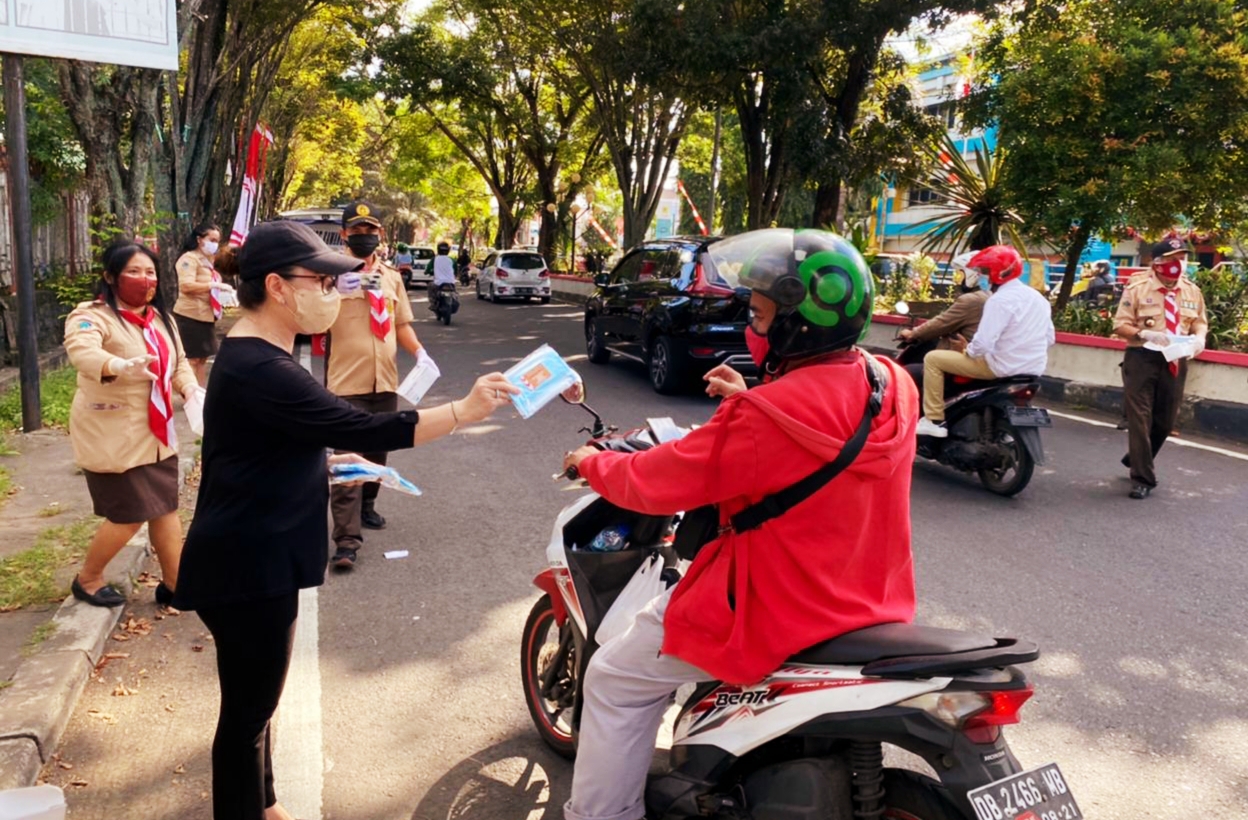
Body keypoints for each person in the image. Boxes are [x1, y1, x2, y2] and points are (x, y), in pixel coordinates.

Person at [560, 228, 918, 820]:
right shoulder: (892, 383)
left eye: (759, 315)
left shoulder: (762, 420)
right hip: (873, 599)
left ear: (795, 328)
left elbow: (654, 481)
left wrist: (592, 462)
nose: (751, 327)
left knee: (614, 679)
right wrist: (752, 394)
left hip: (773, 606)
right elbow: (823, 424)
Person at [172, 220, 517, 820]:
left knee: (256, 707)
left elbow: (264, 445)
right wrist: (463, 411)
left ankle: (265, 802)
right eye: (323, 281)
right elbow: (363, 424)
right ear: (278, 287)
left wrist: (326, 462)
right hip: (249, 569)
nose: (334, 292)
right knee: (247, 719)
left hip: (248, 555)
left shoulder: (258, 353)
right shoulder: (263, 366)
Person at [63, 241, 201, 608]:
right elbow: (83, 351)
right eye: (134, 272)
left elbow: (179, 362)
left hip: (156, 432)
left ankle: (175, 584)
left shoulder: (161, 318)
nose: (145, 279)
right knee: (128, 515)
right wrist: (118, 366)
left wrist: (189, 388)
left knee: (165, 508)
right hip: (113, 434)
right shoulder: (92, 316)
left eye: (150, 272)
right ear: (110, 277)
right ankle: (88, 579)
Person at [325, 201, 424, 568]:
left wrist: (419, 352)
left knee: (378, 452)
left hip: (385, 381)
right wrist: (332, 289)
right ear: (344, 234)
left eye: (370, 230)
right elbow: (309, 318)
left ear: (380, 234)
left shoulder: (392, 276)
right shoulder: (328, 275)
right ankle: (346, 542)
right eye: (357, 230)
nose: (364, 236)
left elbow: (401, 324)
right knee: (347, 461)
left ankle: (368, 504)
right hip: (345, 383)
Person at [915, 245, 1055, 438]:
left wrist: (966, 350)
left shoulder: (999, 300)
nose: (982, 276)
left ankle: (933, 420)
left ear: (996, 274)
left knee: (933, 359)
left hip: (999, 368)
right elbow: (1050, 338)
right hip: (1033, 369)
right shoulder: (1038, 299)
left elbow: (983, 344)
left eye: (985, 271)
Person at [1112, 237, 1208, 499]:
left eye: (1182, 258)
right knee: (1139, 419)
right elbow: (1120, 325)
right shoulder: (1138, 288)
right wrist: (1144, 334)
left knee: (1165, 422)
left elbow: (1199, 321)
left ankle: (1137, 457)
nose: (1178, 263)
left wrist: (1200, 338)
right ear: (1157, 262)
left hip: (1176, 358)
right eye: (1172, 258)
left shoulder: (1191, 290)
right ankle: (1143, 478)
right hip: (1142, 357)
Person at [897, 250, 990, 390]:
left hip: (967, 362)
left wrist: (913, 333)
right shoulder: (990, 296)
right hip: (985, 361)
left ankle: (928, 405)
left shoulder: (972, 300)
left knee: (905, 374)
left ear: (973, 274)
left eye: (960, 274)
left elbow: (941, 323)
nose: (957, 279)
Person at [173, 223, 234, 387]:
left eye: (217, 241)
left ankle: (200, 391)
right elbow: (186, 286)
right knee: (192, 359)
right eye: (211, 240)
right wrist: (212, 286)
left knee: (202, 358)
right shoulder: (189, 259)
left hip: (206, 315)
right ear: (199, 239)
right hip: (190, 315)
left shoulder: (209, 261)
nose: (215, 244)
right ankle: (190, 392)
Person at [429, 240, 457, 312]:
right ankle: (454, 299)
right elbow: (456, 270)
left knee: (430, 286)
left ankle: (433, 303)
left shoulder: (434, 259)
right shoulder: (452, 260)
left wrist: (427, 272)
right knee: (454, 292)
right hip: (451, 282)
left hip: (438, 283)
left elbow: (428, 269)